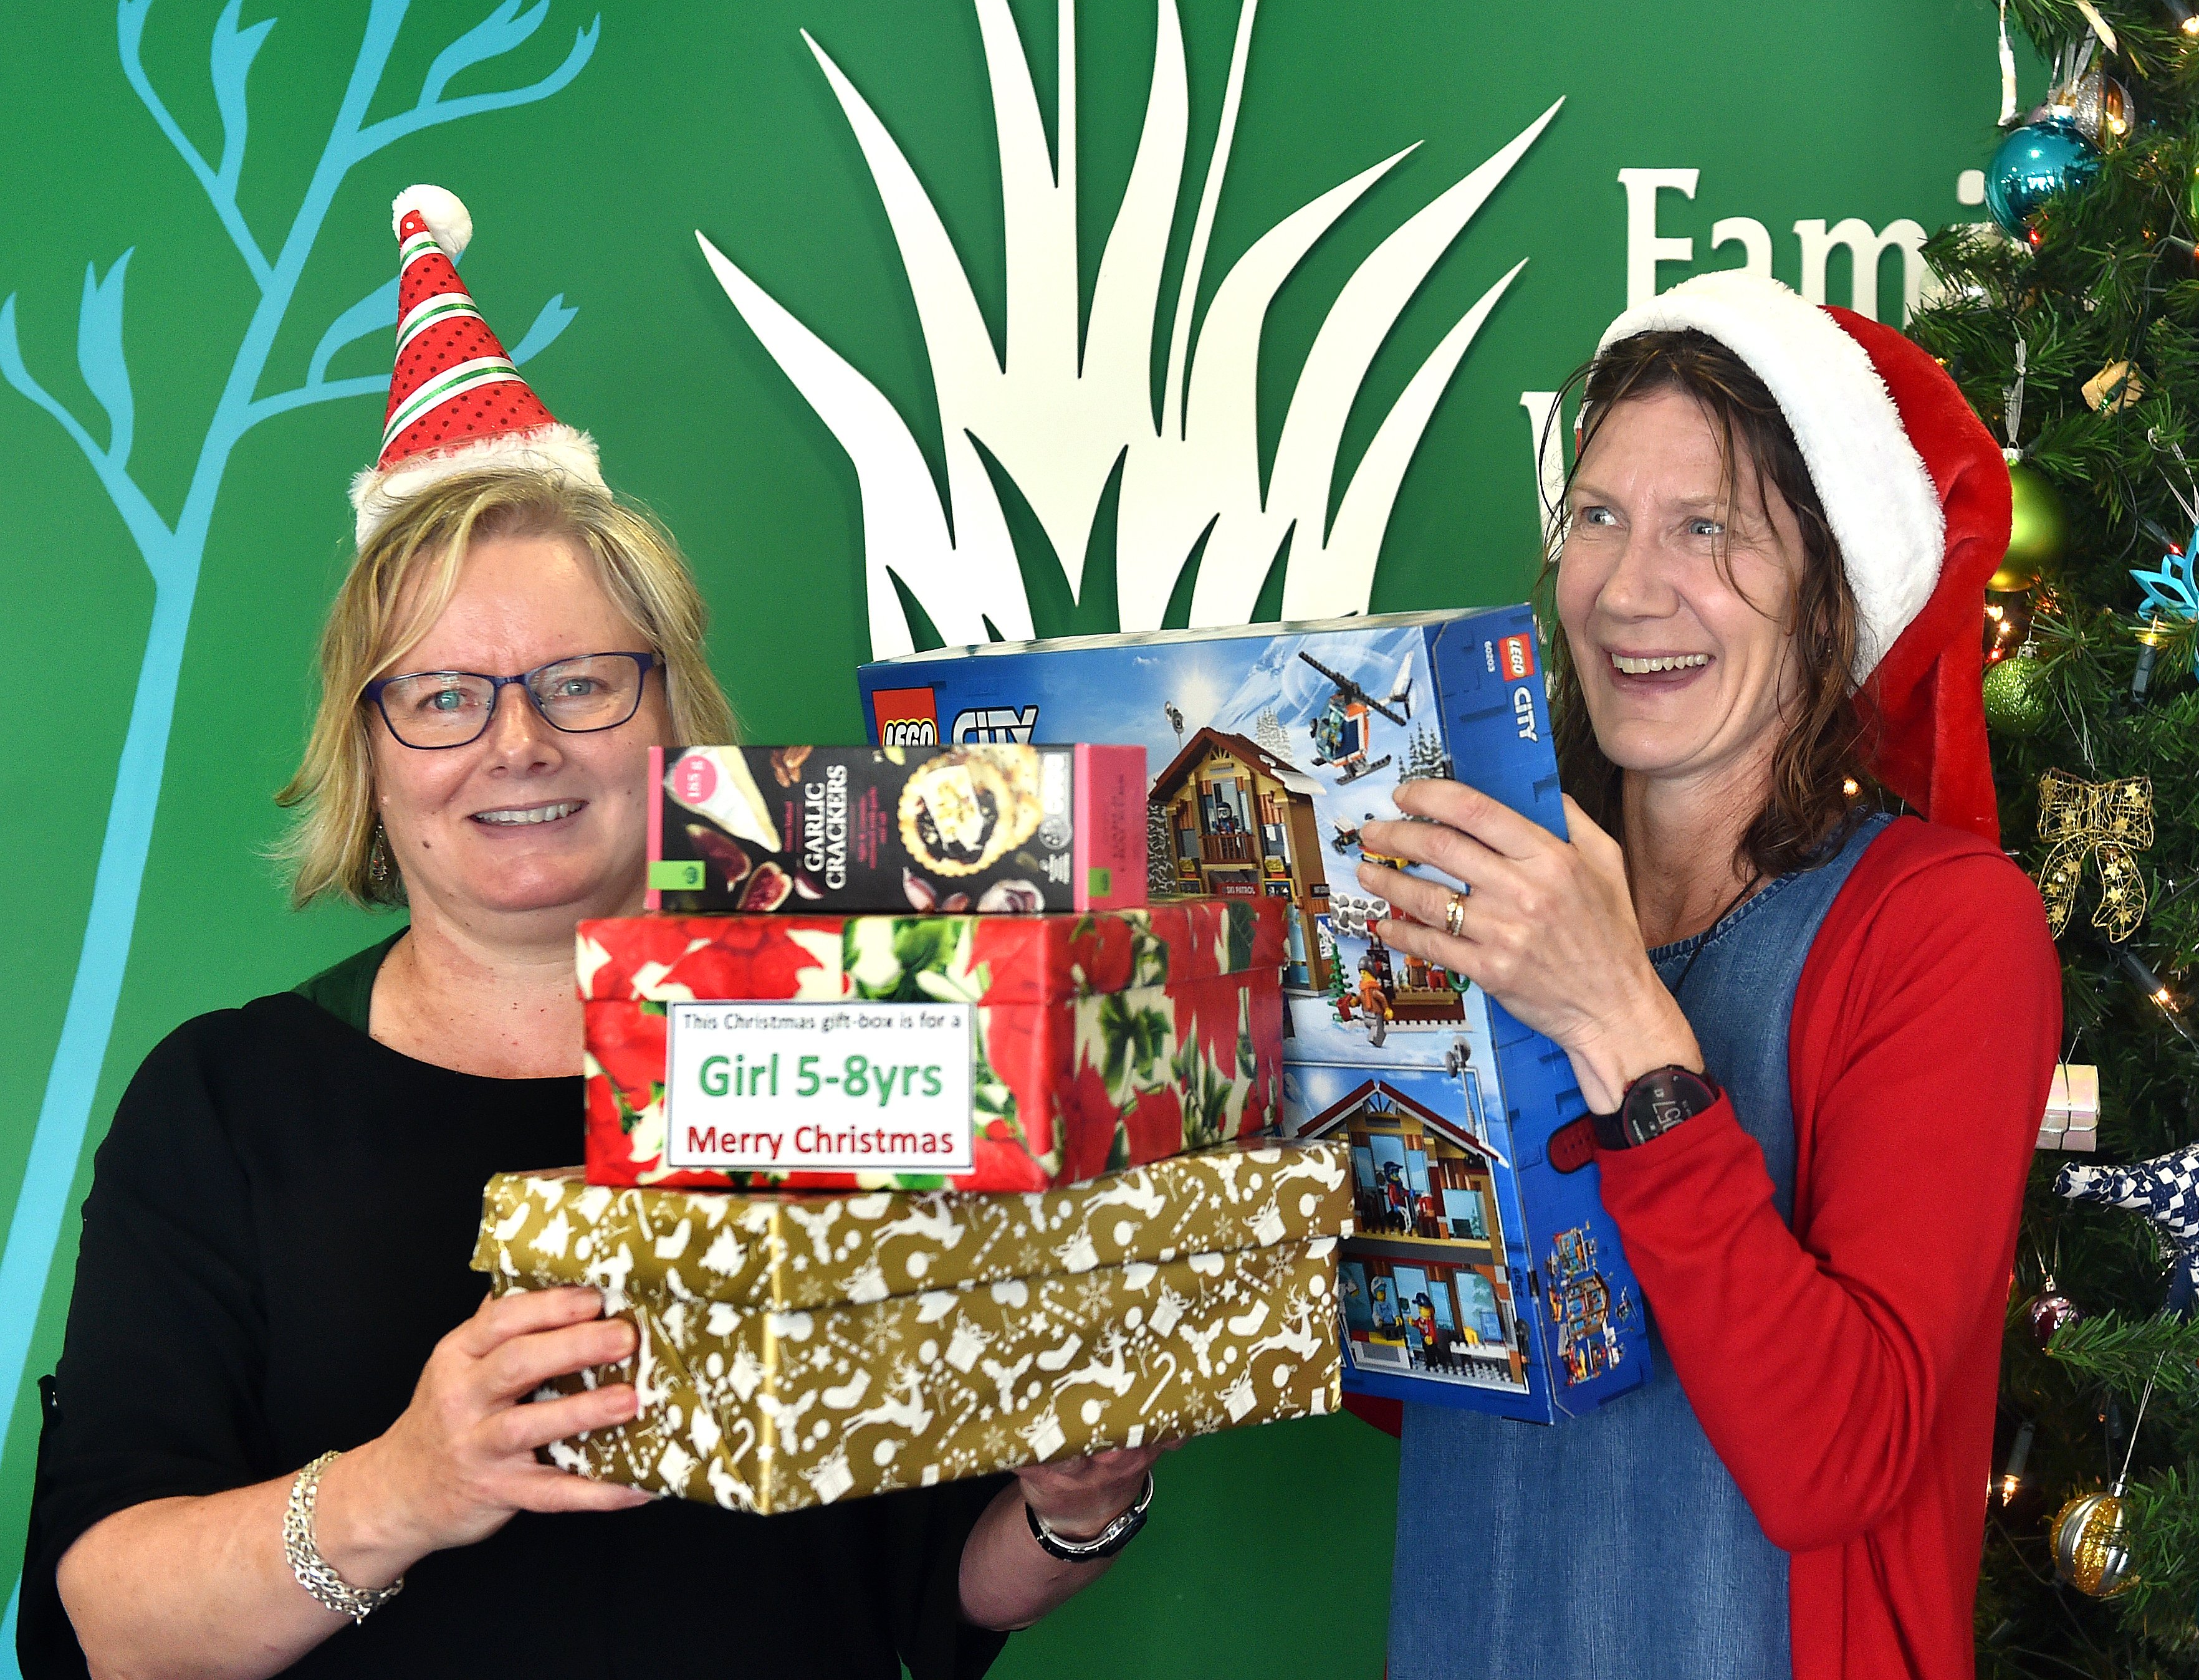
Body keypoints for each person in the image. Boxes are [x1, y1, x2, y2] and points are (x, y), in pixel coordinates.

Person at [19, 187, 1156, 1680]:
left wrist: (1078, 1504)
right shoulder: (227, 1108)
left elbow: (926, 1583)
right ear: (365, 752)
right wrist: (407, 1486)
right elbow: (101, 1622)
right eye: (444, 696)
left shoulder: (848, 1042)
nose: (519, 746)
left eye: (580, 682)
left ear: (671, 715)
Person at [1352, 269, 2061, 1680]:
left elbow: (1837, 1460)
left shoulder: (1944, 930)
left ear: (1826, 592)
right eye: (1599, 517)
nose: (1627, 588)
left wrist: (1614, 1014)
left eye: (1708, 531)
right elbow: (1431, 1383)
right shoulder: (1480, 894)